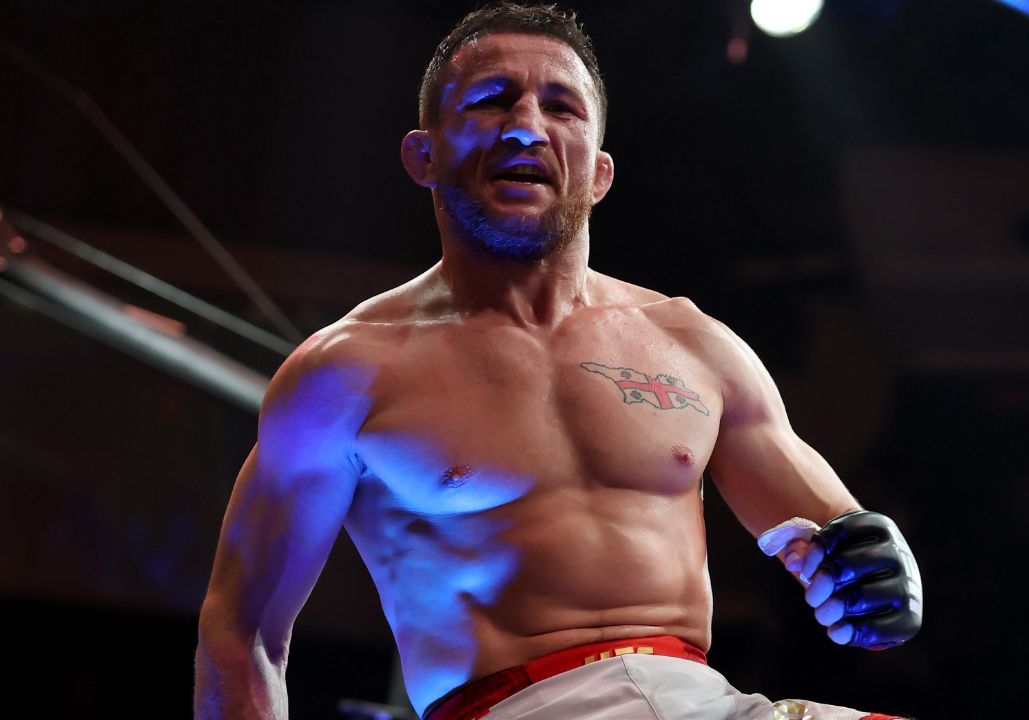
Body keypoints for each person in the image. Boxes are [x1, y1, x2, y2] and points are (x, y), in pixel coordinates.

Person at [193, 4, 922, 719]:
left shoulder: (694, 345)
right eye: (491, 100)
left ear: (599, 172)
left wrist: (871, 570)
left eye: (562, 107)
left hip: (708, 702)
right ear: (424, 155)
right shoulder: (346, 374)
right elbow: (242, 634)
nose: (526, 127)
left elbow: (841, 537)